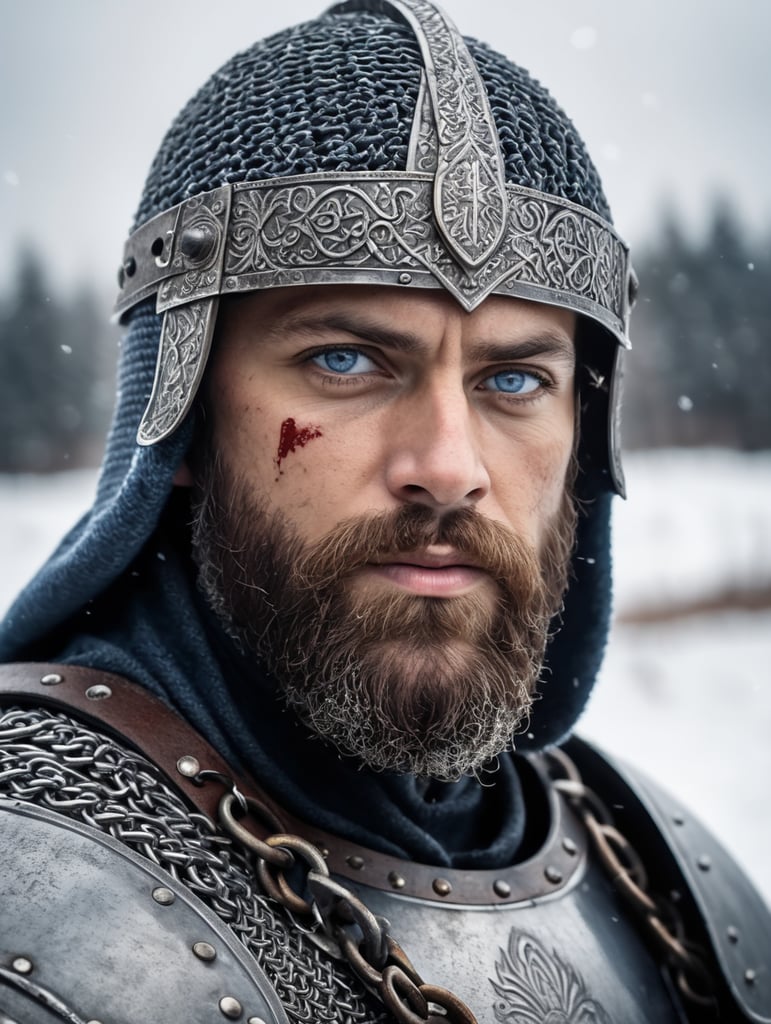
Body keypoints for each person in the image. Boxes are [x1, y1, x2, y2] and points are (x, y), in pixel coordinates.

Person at [0, 1, 768, 1021]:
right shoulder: (36, 901)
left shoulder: (665, 879)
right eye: (345, 360)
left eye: (513, 381)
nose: (447, 468)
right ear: (178, 422)